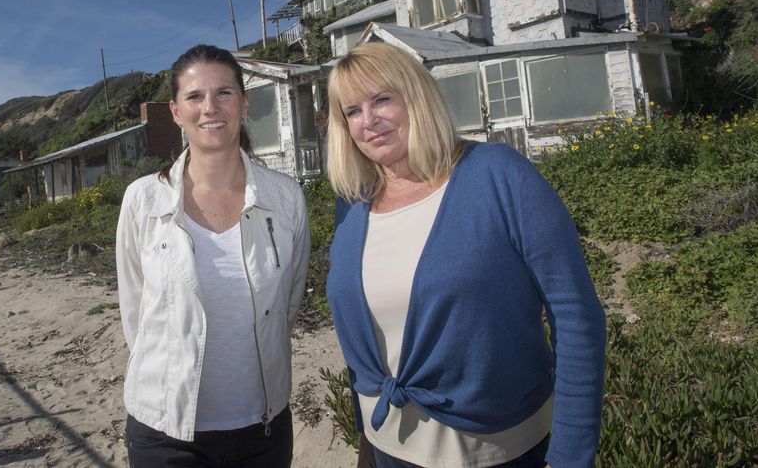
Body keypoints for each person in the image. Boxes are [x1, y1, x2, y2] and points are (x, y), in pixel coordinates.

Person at [324, 43, 606, 468]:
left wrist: (570, 455)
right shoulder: (352, 206)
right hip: (388, 451)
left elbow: (577, 317)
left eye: (382, 99)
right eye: (352, 111)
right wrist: (366, 441)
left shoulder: (498, 174)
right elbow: (363, 342)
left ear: (416, 97)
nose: (369, 121)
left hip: (498, 452)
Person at [116, 44, 310, 468]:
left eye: (224, 93)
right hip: (164, 433)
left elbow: (287, 302)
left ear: (244, 102)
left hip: (263, 427)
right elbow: (135, 312)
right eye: (195, 96)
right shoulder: (143, 199)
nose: (210, 108)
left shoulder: (286, 197)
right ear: (174, 110)